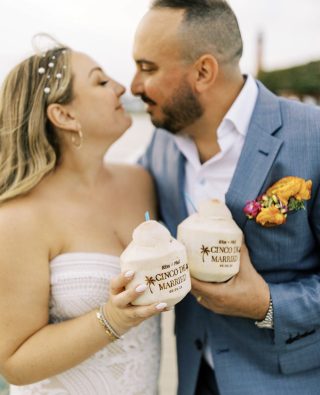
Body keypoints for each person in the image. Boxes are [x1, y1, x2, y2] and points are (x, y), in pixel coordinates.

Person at [131, 1, 320, 394]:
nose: (134, 86)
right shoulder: (161, 145)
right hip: (193, 375)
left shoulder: (313, 137)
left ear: (203, 71)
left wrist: (266, 303)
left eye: (147, 68)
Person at [0, 36, 167, 395]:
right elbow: (14, 362)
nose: (122, 87)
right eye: (101, 81)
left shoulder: (141, 182)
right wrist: (113, 318)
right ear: (64, 115)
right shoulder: (17, 217)